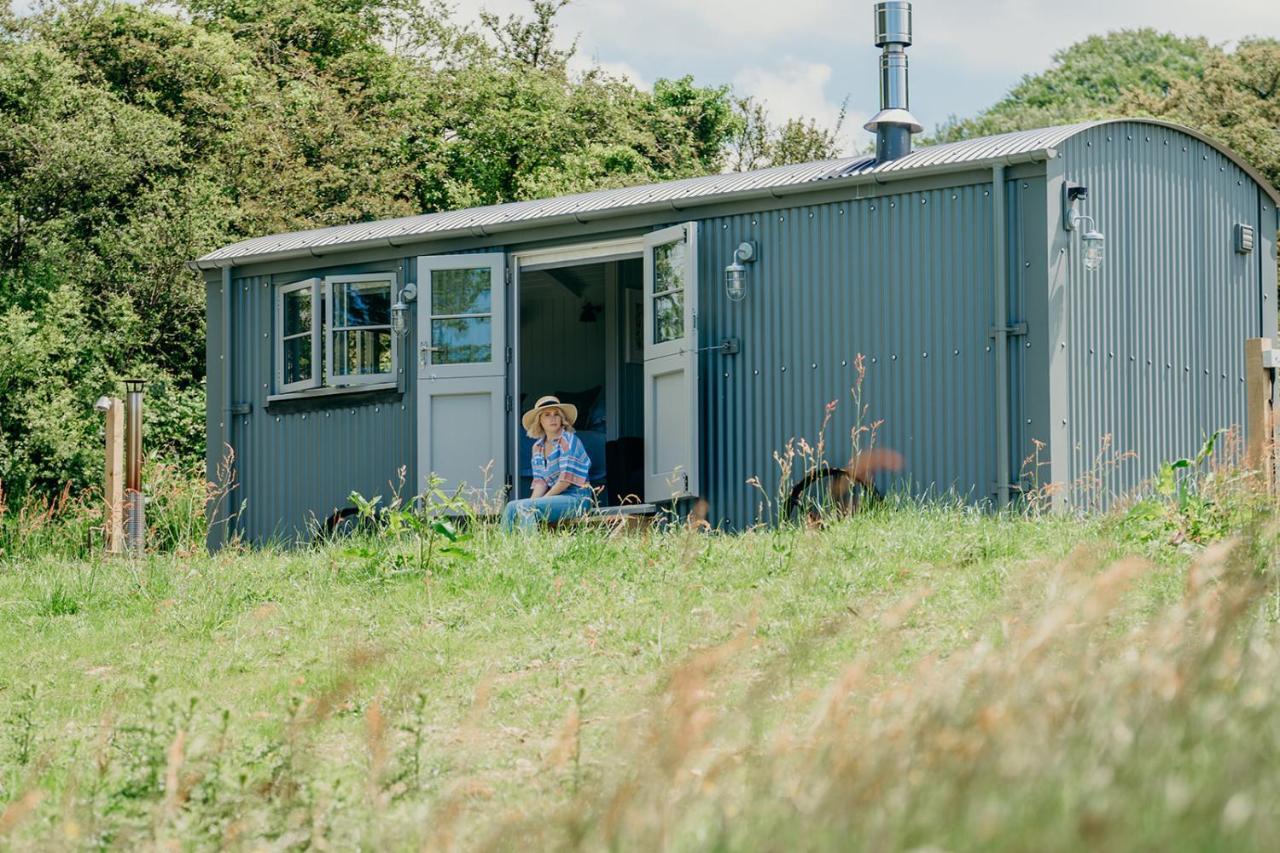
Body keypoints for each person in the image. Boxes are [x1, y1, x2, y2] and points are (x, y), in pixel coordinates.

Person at [501, 395, 594, 532]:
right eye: (547, 415)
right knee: (511, 506)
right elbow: (541, 482)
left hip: (577, 499)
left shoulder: (568, 441)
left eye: (556, 414)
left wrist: (539, 502)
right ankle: (505, 548)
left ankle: (529, 549)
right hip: (555, 498)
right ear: (539, 421)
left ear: (562, 419)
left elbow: (565, 481)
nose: (553, 418)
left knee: (527, 508)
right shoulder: (537, 447)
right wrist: (533, 502)